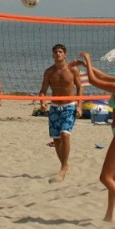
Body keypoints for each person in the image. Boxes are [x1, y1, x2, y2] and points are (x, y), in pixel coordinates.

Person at [74, 52, 115, 229]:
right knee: (114, 177)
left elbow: (94, 81)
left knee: (105, 177)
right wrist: (85, 65)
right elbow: (102, 76)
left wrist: (89, 60)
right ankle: (109, 215)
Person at [38, 44, 83, 182]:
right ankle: (64, 165)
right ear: (53, 55)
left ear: (65, 54)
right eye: (56, 52)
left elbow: (80, 89)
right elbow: (43, 90)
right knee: (56, 140)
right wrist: (42, 102)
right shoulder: (49, 72)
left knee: (65, 135)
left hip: (69, 106)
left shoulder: (73, 70)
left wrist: (79, 106)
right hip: (55, 107)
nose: (58, 54)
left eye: (60, 52)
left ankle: (63, 168)